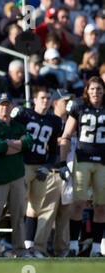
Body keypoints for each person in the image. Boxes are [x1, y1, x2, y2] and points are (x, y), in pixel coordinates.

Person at [11, 87, 63, 257]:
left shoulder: (54, 121)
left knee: (35, 208)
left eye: (48, 98)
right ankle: (18, 246)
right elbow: (11, 134)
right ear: (34, 100)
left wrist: (48, 166)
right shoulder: (24, 115)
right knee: (19, 206)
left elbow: (54, 149)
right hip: (23, 165)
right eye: (42, 98)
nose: (45, 101)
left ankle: (29, 246)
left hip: (40, 167)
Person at [0, 93, 34, 258]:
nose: (5, 107)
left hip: (17, 175)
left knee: (18, 216)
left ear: (12, 107)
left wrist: (8, 145)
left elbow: (29, 143)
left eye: (7, 104)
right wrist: (17, 145)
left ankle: (20, 250)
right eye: (2, 104)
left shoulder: (18, 126)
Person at [60, 77, 105, 257]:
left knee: (101, 206)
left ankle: (95, 248)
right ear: (87, 90)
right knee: (78, 203)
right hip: (83, 158)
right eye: (93, 89)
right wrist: (63, 162)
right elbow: (66, 135)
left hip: (102, 161)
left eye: (99, 89)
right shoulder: (79, 106)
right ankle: (73, 245)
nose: (96, 93)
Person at [33, 89, 74, 257]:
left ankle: (62, 250)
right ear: (56, 103)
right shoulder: (50, 121)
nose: (69, 104)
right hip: (52, 171)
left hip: (70, 172)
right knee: (47, 212)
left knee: (65, 215)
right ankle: (38, 248)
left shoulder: (73, 121)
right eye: (65, 101)